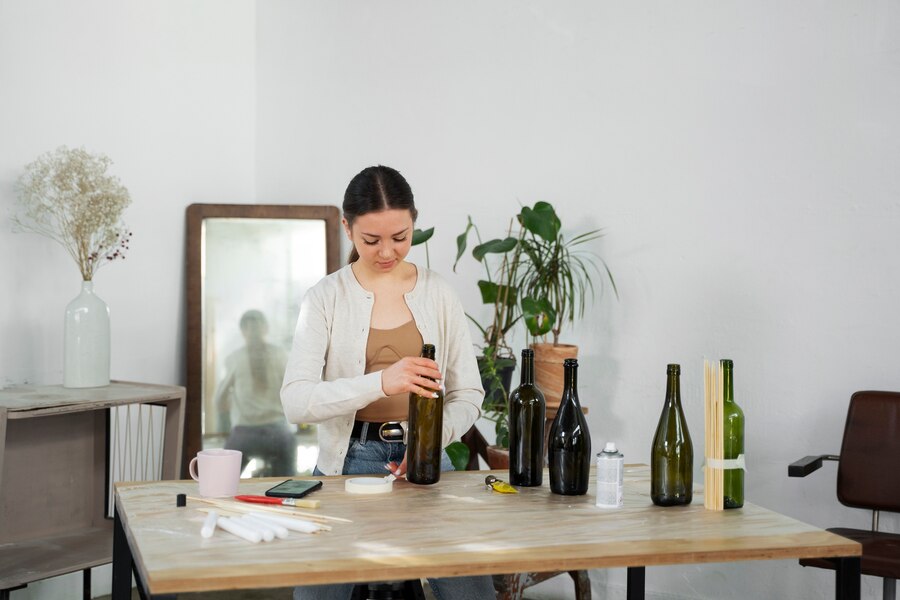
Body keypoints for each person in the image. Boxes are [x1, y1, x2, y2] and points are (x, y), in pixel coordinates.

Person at [281, 165, 495, 600]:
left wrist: (429, 440)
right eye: (371, 240)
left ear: (414, 221)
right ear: (347, 227)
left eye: (400, 237)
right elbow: (296, 402)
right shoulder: (324, 298)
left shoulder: (438, 293)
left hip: (427, 462)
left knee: (471, 590)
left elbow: (469, 392)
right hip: (349, 461)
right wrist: (382, 382)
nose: (387, 252)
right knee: (315, 596)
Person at [215, 309, 296, 477]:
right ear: (265, 328)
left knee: (222, 480)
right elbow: (294, 390)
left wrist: (231, 409)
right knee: (287, 482)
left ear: (243, 332)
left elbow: (219, 401)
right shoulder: (280, 355)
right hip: (278, 432)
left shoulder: (234, 358)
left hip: (244, 433)